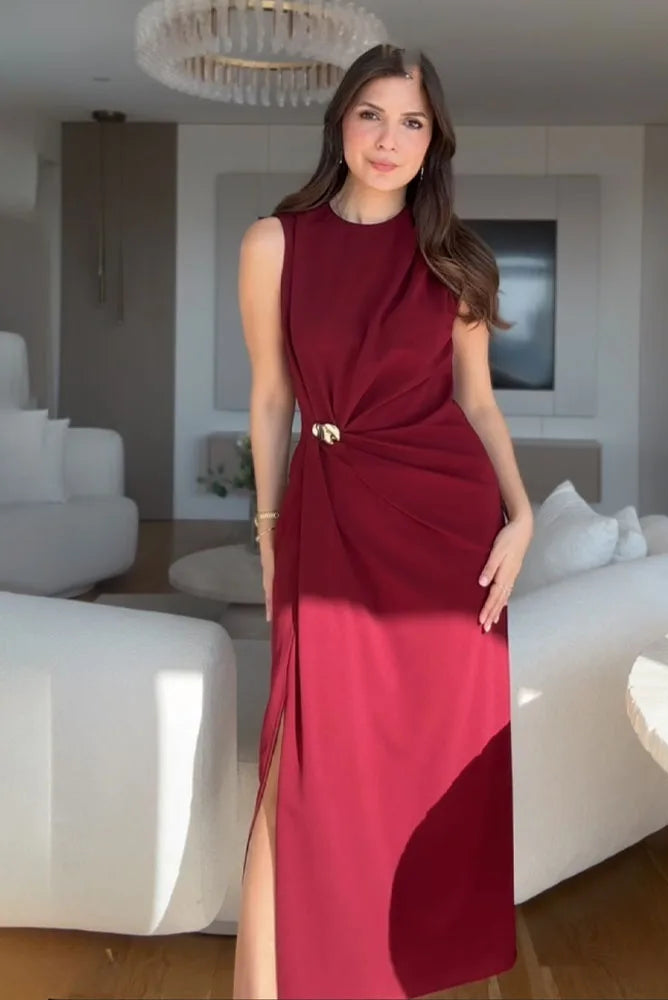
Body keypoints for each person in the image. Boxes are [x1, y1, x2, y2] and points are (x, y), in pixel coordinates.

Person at [232, 42, 534, 1000]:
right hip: (325, 515)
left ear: (434, 138)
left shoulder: (456, 261)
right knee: (303, 761)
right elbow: (271, 396)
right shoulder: (274, 243)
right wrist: (268, 525)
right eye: (372, 114)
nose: (389, 138)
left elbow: (479, 404)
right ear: (340, 123)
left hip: (445, 531)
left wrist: (521, 514)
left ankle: (390, 976)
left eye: (411, 121)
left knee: (427, 765)